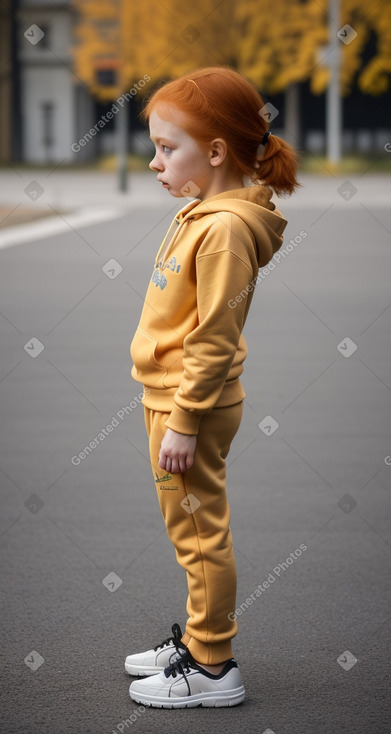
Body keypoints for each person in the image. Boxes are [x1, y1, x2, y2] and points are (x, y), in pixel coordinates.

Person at [125, 66, 299, 708]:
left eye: (168, 148)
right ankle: (198, 642)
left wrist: (185, 419)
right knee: (190, 533)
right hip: (170, 399)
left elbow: (214, 338)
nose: (154, 162)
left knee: (200, 535)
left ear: (218, 152)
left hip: (186, 406)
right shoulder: (202, 213)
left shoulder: (224, 231)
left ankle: (214, 666)